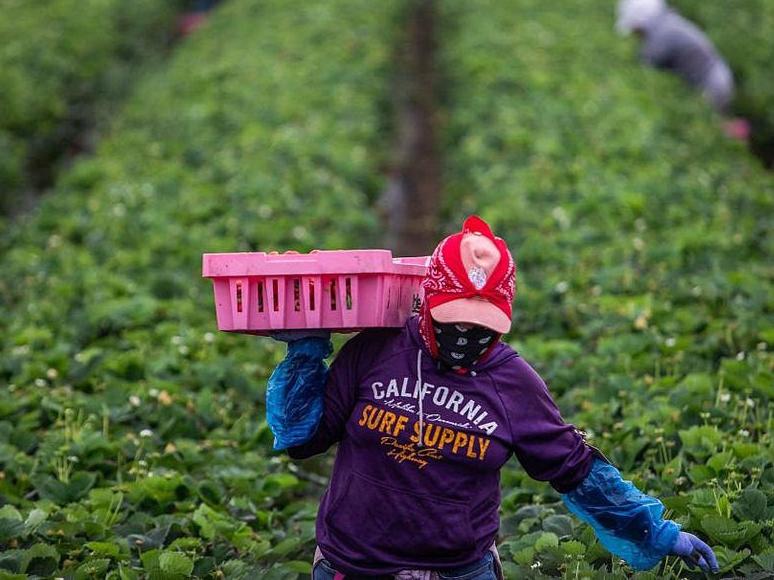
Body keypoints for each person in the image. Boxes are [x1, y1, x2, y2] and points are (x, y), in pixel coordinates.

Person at [266, 215, 720, 579]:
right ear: (428, 299)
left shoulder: (512, 382)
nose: (466, 335)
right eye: (455, 319)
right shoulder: (376, 350)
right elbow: (305, 439)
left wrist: (657, 532)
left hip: (458, 571)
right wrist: (304, 354)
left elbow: (577, 470)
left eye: (482, 326)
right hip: (353, 567)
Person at [616, 0, 749, 141]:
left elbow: (648, 62)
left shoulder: (663, 33)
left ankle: (738, 138)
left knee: (708, 130)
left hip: (711, 83)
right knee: (714, 125)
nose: (635, 34)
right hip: (717, 76)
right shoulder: (668, 23)